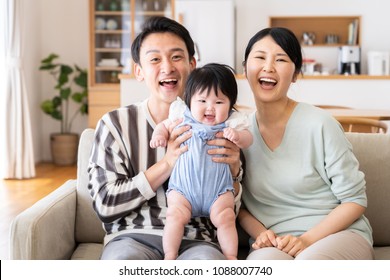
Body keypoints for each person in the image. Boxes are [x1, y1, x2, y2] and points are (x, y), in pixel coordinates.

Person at [87, 16, 243, 260]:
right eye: (155, 59)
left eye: (176, 57)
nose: (167, 67)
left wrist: (233, 173)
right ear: (138, 71)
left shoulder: (222, 124)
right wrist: (167, 163)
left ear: (192, 65)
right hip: (132, 237)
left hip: (197, 241)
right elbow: (106, 205)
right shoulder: (115, 124)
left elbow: (232, 213)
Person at [238, 27, 374, 260]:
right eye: (260, 57)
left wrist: (306, 240)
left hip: (338, 234)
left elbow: (355, 200)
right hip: (274, 242)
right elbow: (236, 203)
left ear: (296, 74)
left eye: (280, 59)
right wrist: (261, 234)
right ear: (245, 68)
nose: (268, 67)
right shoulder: (238, 134)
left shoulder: (320, 124)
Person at [150, 63, 253, 260]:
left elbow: (249, 139)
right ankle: (170, 255)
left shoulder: (232, 121)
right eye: (202, 100)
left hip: (218, 191)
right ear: (189, 101)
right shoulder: (182, 115)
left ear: (230, 104)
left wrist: (238, 136)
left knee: (226, 217)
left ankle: (230, 257)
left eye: (219, 102)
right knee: (174, 216)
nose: (210, 108)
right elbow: (163, 125)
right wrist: (160, 135)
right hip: (183, 190)